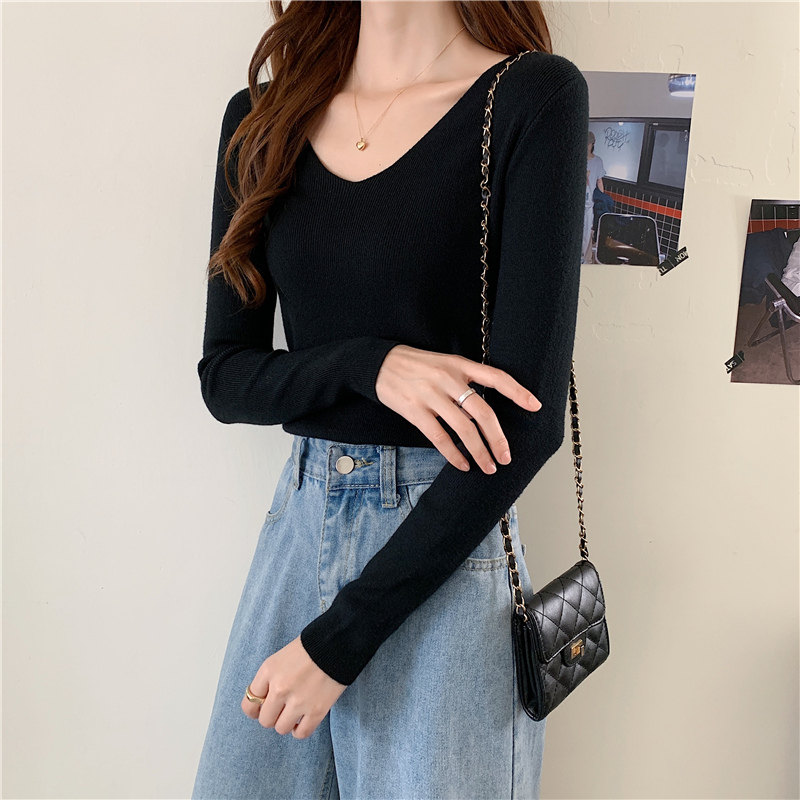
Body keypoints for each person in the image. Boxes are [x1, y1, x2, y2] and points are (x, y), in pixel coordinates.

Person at [191, 2, 589, 798]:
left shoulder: (530, 97)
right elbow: (225, 377)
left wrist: (339, 642)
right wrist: (368, 366)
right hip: (298, 531)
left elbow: (529, 419)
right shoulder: (263, 117)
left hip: (449, 541)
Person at [582, 130, 606, 263]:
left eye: (588, 143)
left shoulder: (598, 161)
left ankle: (583, 259)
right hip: (578, 203)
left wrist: (602, 200)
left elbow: (599, 181)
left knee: (587, 231)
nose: (586, 146)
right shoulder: (577, 158)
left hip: (589, 203)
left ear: (592, 144)